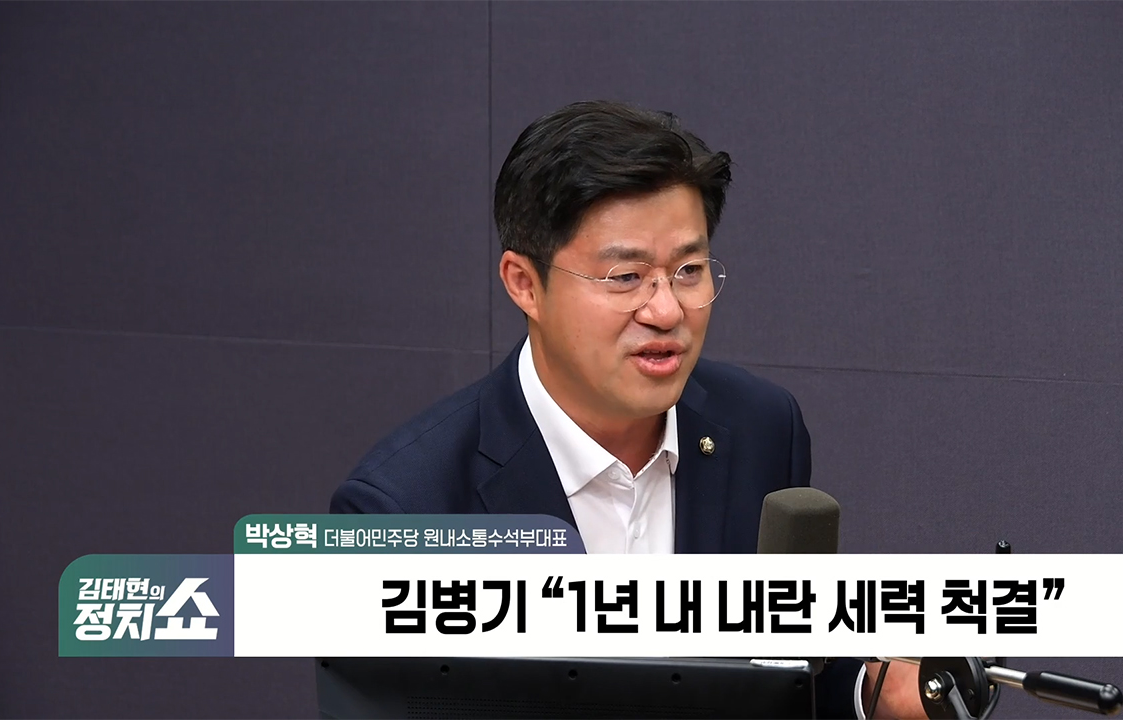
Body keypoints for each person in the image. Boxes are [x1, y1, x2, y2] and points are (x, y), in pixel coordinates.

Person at [329, 100, 925, 719]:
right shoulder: (402, 510)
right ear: (524, 284)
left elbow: (790, 667)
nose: (666, 310)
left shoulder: (760, 429)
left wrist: (879, 693)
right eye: (625, 277)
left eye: (689, 270)